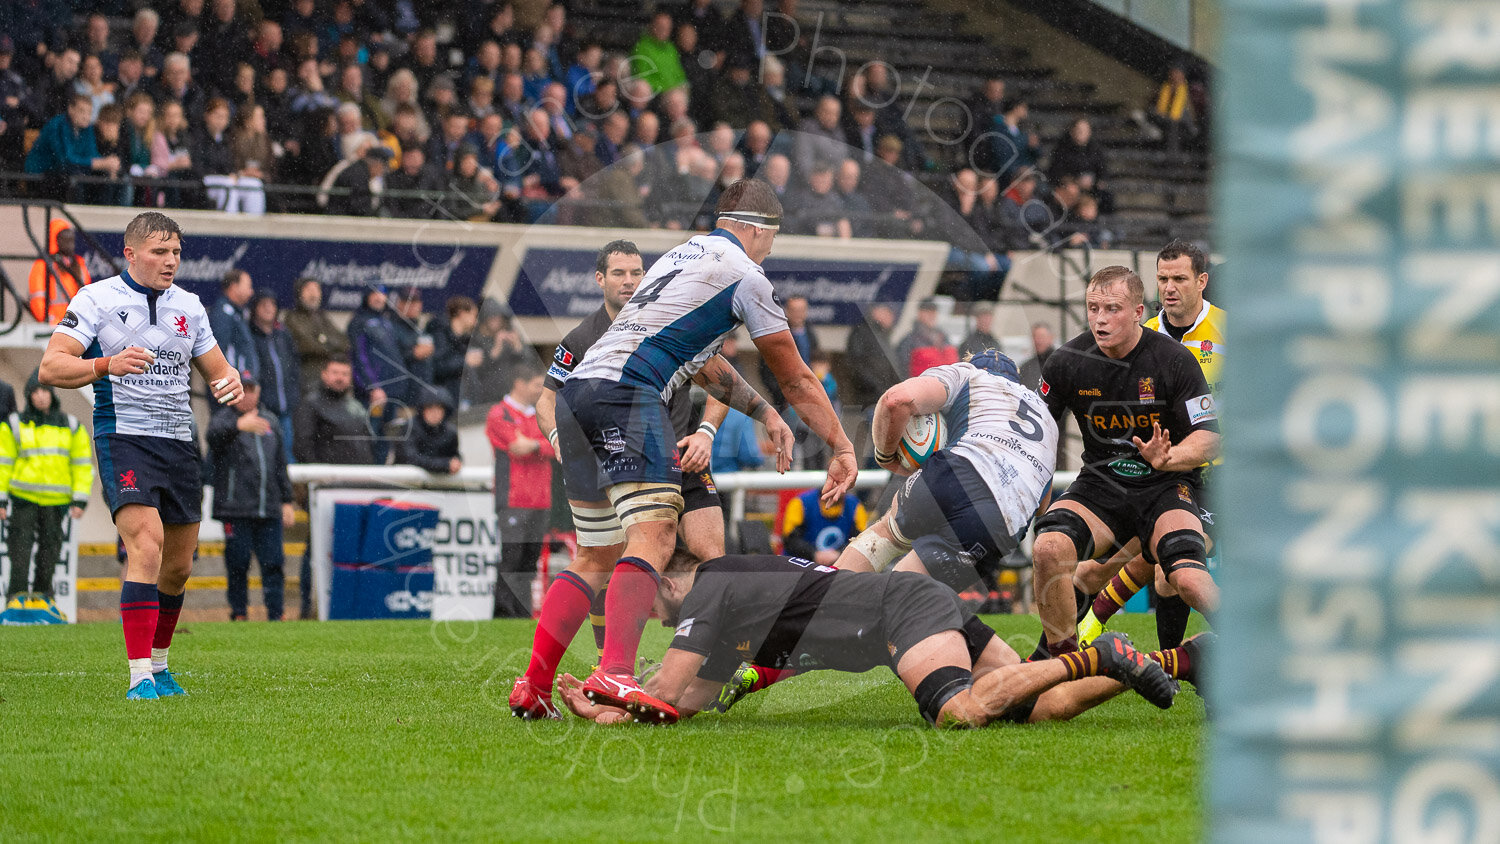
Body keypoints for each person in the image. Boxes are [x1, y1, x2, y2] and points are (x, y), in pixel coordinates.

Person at [552, 182, 855, 721]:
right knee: (658, 535)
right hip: (629, 396)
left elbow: (706, 365)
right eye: (771, 241)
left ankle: (538, 685)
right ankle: (617, 673)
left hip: (581, 396)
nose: (769, 252)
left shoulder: (681, 254)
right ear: (758, 229)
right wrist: (841, 444)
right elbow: (799, 379)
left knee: (599, 553)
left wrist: (760, 414)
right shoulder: (745, 274)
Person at [511, 240, 768, 718]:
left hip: (681, 452)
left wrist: (707, 432)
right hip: (619, 451)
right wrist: (556, 439)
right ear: (599, 280)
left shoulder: (661, 315)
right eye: (619, 273)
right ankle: (617, 672)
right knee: (633, 548)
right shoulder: (581, 337)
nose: (629, 281)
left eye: (636, 272)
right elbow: (549, 399)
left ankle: (545, 683)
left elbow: (714, 374)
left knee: (705, 555)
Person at [557, 548, 1182, 726]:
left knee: (959, 713)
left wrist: (609, 691)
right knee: (1037, 705)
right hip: (907, 603)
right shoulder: (727, 616)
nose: (657, 625)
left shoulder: (711, 585)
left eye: (649, 610)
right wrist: (603, 710)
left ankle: (1100, 653)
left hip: (899, 612)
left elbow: (662, 689)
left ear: (667, 585)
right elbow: (680, 705)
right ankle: (1176, 659)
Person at [39, 211, 243, 699]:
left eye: (176, 252)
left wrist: (229, 379)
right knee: (145, 545)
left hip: (178, 441)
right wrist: (107, 363)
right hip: (124, 436)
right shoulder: (97, 299)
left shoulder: (190, 307)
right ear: (130, 253)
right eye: (159, 251)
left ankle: (160, 665)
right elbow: (50, 366)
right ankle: (138, 678)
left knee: (178, 565)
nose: (170, 260)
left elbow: (218, 368)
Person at [1030, 266, 1220, 658]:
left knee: (1186, 578)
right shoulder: (1066, 361)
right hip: (1101, 487)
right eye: (1093, 308)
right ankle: (1059, 665)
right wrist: (1031, 492)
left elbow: (1209, 438)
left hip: (1166, 486)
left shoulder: (1174, 359)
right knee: (1048, 549)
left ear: (1138, 311)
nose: (1100, 319)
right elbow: (1036, 437)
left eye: (1112, 308)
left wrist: (1170, 457)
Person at [1077, 240, 1225, 650]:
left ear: (1202, 281)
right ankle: (1165, 663)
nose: (1169, 287)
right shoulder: (1142, 335)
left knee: (1170, 564)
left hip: (1220, 475)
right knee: (1145, 568)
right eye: (1162, 278)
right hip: (1155, 477)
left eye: (1179, 278)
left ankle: (1102, 621)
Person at [836, 351, 1057, 604]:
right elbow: (1041, 506)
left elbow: (894, 400)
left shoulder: (969, 375)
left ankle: (819, 605)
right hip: (1001, 522)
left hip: (957, 474)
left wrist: (885, 455)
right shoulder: (1047, 417)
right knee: (902, 603)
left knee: (886, 536)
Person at [208, 372, 295, 621]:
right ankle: (239, 612)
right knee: (238, 563)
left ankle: (276, 613)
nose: (247, 394)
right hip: (235, 509)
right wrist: (237, 426)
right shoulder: (222, 418)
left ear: (258, 392)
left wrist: (286, 501)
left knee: (274, 563)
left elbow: (280, 464)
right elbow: (212, 438)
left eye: (251, 389)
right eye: (242, 389)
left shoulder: (271, 421)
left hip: (268, 507)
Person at [0, 370, 91, 608]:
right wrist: (1, 500)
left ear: (53, 394)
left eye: (45, 391)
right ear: (28, 395)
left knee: (50, 551)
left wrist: (80, 500)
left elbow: (82, 465)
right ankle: (16, 597)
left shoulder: (70, 425)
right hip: (23, 498)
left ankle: (43, 597)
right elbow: (4, 464)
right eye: (35, 392)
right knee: (19, 549)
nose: (40, 397)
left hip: (56, 501)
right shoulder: (14, 424)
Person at [292, 355, 375, 618]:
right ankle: (310, 606)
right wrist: (321, 480)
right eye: (335, 372)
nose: (340, 378)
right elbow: (302, 447)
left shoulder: (357, 407)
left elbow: (368, 446)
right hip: (325, 492)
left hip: (358, 490)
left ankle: (350, 606)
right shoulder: (311, 405)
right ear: (324, 374)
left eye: (345, 374)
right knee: (316, 546)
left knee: (353, 548)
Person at [487, 364, 553, 618]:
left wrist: (534, 444)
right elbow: (516, 446)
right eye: (537, 384)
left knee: (529, 561)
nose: (541, 390)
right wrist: (543, 443)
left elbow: (559, 445)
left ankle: (522, 614)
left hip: (541, 500)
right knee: (511, 558)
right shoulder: (499, 413)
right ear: (519, 383)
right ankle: (503, 614)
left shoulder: (542, 413)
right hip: (513, 498)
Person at [247, 292, 301, 464]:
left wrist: (293, 393)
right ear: (255, 308)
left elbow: (293, 366)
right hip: (263, 408)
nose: (269, 308)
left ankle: (287, 490)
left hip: (286, 408)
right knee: (266, 454)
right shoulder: (249, 335)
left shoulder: (283, 334)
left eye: (272, 304)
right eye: (264, 304)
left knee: (287, 452)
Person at [284, 277, 349, 390]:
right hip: (307, 378)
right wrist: (330, 346)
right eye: (308, 289)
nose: (313, 294)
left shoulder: (322, 317)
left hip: (329, 379)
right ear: (300, 293)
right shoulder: (292, 318)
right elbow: (307, 345)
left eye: (317, 289)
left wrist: (324, 341)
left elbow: (344, 342)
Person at [28, 217, 93, 324]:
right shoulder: (42, 266)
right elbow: (37, 301)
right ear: (55, 240)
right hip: (53, 326)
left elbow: (87, 297)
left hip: (76, 326)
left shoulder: (79, 264)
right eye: (65, 240)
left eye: (71, 240)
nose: (70, 245)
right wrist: (54, 322)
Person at [781, 487, 866, 566]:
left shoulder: (855, 506)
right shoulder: (800, 503)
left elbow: (861, 542)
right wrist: (813, 554)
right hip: (800, 566)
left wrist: (839, 553)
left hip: (839, 569)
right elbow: (789, 540)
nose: (835, 488)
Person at [396, 386, 461, 475]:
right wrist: (444, 465)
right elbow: (411, 458)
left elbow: (454, 455)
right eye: (430, 408)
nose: (435, 413)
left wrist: (456, 462)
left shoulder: (450, 432)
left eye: (439, 408)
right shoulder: (410, 428)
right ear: (422, 409)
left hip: (439, 483)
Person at [210, 269, 259, 379]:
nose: (251, 292)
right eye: (248, 286)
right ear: (234, 287)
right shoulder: (222, 314)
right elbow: (219, 352)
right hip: (231, 384)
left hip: (240, 382)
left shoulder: (238, 313)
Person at [895, 298, 957, 377]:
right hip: (921, 387)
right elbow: (901, 369)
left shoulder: (944, 337)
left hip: (946, 386)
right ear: (919, 313)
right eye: (928, 311)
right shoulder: (910, 340)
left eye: (934, 311)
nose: (932, 315)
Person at [1018, 322, 1055, 391]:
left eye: (1042, 337)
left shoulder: (1061, 364)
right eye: (1035, 337)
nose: (1038, 341)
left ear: (1051, 338)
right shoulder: (1026, 367)